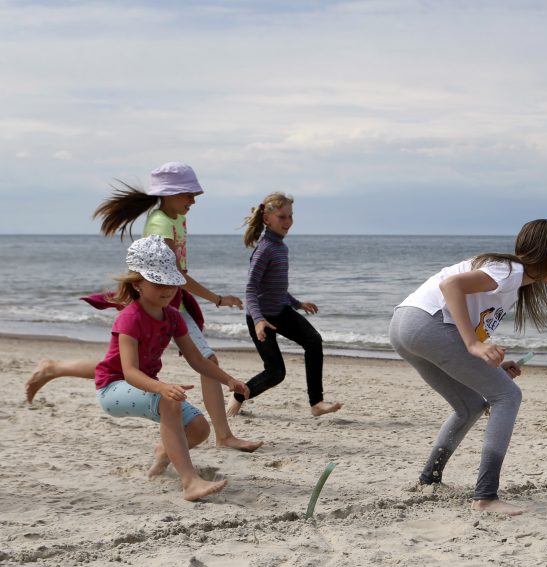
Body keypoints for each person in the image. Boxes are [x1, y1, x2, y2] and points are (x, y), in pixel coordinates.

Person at [25, 162, 262, 452]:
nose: (193, 200)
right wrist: (217, 299)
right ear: (169, 194)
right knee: (201, 361)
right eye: (188, 194)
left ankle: (54, 367)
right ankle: (223, 436)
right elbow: (172, 275)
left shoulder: (174, 218)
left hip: (174, 301)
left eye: (195, 194)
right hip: (165, 299)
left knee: (125, 365)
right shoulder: (161, 224)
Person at [388, 219, 547, 516]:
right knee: (508, 396)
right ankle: (485, 497)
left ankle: (429, 479)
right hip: (426, 323)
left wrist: (486, 357)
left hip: (405, 325)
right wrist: (473, 344)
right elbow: (451, 286)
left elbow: (467, 317)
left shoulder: (511, 278)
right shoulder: (510, 270)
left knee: (471, 404)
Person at [96, 236, 250, 500]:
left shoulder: (173, 317)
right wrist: (161, 387)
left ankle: (164, 452)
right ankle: (190, 481)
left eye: (171, 282)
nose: (167, 289)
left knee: (200, 429)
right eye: (158, 282)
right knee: (170, 402)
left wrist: (229, 380)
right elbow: (130, 372)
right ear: (138, 284)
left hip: (144, 386)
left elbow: (197, 359)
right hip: (114, 388)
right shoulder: (129, 319)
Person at [226, 193, 342, 418]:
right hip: (261, 318)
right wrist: (259, 320)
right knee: (276, 373)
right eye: (282, 217)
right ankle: (239, 396)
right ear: (267, 219)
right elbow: (251, 289)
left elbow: (275, 288)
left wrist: (298, 304)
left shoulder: (281, 247)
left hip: (281, 311)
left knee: (313, 341)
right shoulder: (265, 249)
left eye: (290, 216)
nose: (288, 221)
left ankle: (316, 403)